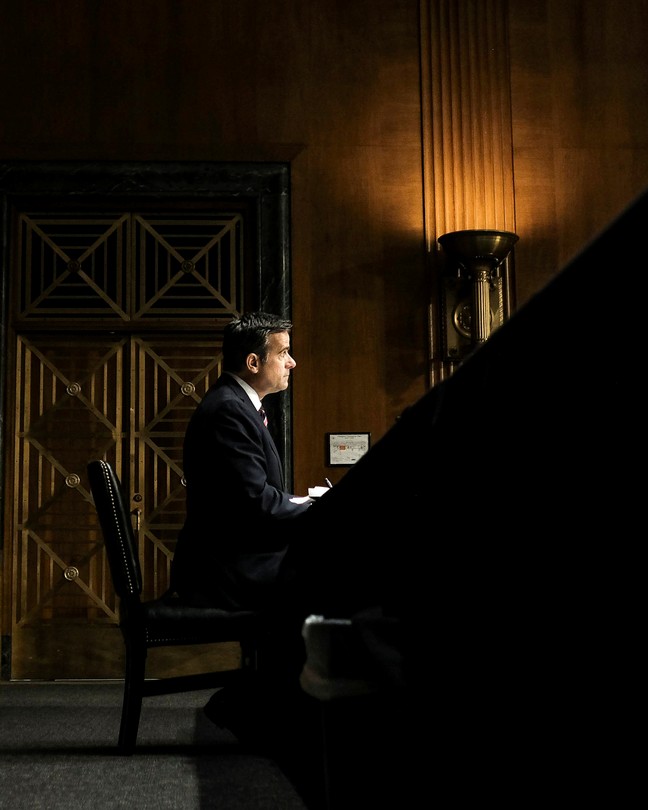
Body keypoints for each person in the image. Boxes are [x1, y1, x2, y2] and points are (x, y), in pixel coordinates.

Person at [170, 311, 313, 612]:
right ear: (253, 362)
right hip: (225, 572)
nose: (292, 362)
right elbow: (255, 501)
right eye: (284, 353)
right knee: (337, 576)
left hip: (234, 561)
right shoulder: (229, 411)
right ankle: (291, 660)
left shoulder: (236, 404)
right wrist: (316, 506)